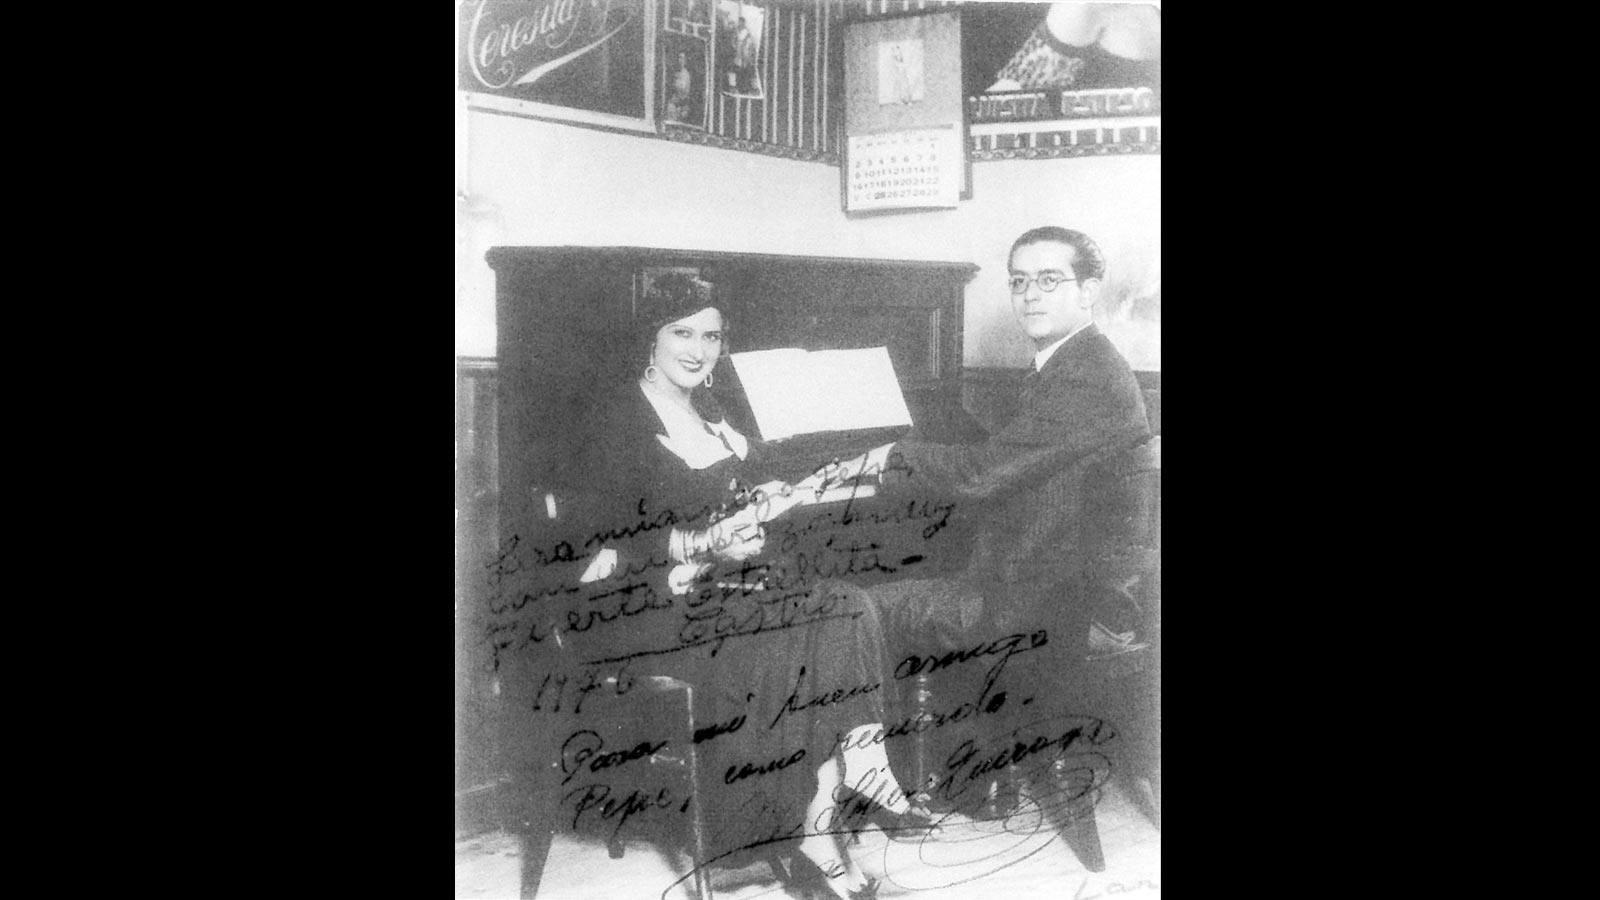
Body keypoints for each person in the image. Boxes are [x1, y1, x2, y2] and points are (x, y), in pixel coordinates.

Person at [557, 285, 937, 899]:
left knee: (846, 602)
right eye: (683, 332)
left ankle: (858, 765)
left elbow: (743, 492)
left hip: (722, 591)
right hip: (640, 604)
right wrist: (705, 542)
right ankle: (815, 827)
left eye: (711, 336)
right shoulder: (616, 420)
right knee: (805, 626)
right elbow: (593, 543)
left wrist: (777, 498)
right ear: (651, 339)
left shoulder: (712, 414)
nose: (699, 348)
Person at [818, 227, 1151, 684]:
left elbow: (983, 472)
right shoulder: (1070, 363)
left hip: (1060, 608)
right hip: (1053, 589)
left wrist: (882, 458)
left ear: (1089, 291)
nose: (1030, 295)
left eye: (1049, 280)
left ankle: (868, 754)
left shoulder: (1086, 376)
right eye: (1018, 281)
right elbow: (1003, 464)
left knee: (852, 612)